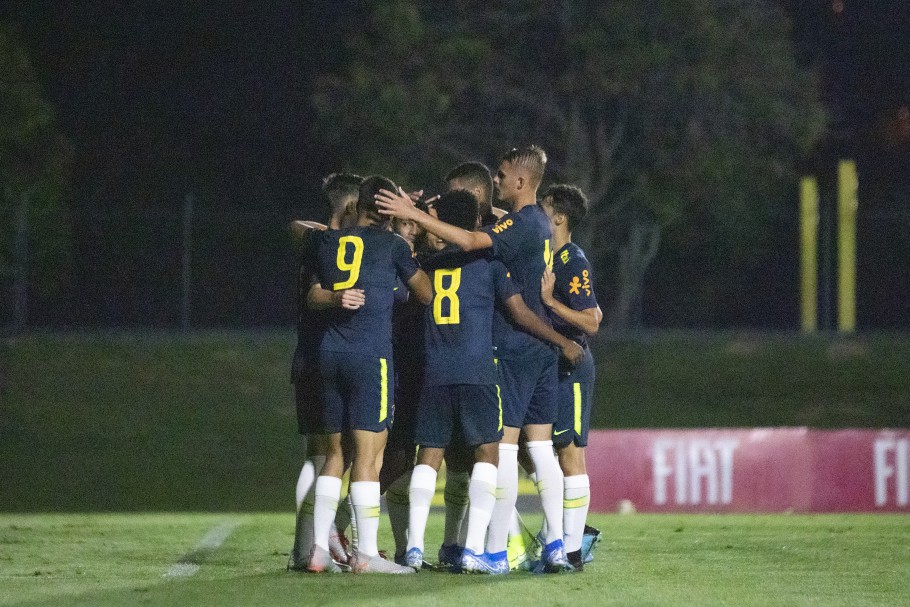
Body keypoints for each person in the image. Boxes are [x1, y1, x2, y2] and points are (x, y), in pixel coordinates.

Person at [376, 145, 576, 573]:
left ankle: (489, 551)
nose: (499, 179)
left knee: (488, 452)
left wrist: (413, 219)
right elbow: (478, 238)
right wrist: (560, 339)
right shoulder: (522, 232)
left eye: (503, 174)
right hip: (520, 353)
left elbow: (467, 239)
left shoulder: (499, 235)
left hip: (501, 351)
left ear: (520, 181)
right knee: (534, 451)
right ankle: (557, 543)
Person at [306, 175, 433, 574]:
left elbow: (312, 295)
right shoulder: (392, 246)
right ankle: (365, 555)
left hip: (329, 353)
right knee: (368, 456)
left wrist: (336, 296)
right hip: (370, 357)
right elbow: (426, 294)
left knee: (334, 454)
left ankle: (317, 551)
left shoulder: (326, 242)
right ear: (389, 211)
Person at [287, 173, 362, 571]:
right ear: (350, 207)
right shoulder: (331, 246)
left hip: (312, 357)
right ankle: (312, 546)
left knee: (321, 454)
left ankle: (307, 547)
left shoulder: (315, 241)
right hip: (324, 358)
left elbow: (296, 227)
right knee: (329, 454)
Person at [539, 184, 603, 572]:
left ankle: (575, 551)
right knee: (542, 454)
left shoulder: (572, 260)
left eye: (544, 209)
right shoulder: (549, 256)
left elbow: (591, 321)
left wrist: (549, 302)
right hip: (550, 367)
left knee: (570, 455)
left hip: (573, 368)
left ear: (559, 217)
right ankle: (560, 540)